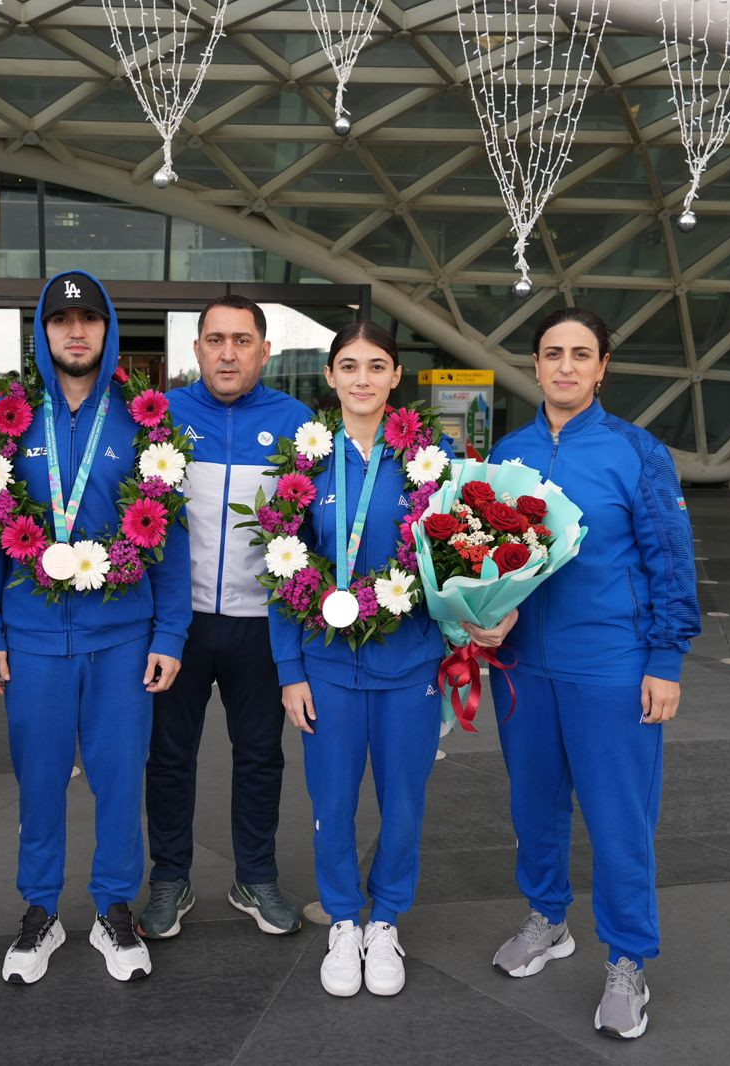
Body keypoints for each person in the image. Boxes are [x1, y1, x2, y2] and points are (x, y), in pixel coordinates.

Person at [483, 307, 699, 1041]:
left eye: (581, 354)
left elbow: (669, 560)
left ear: (602, 367)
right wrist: (476, 615)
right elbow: (477, 558)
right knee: (532, 807)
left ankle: (628, 960)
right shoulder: (505, 453)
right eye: (552, 353)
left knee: (617, 821)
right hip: (521, 669)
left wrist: (664, 661)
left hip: (610, 665)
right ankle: (548, 918)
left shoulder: (635, 452)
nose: (566, 366)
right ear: (535, 366)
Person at [0, 270, 191, 986]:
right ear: (41, 330)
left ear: (108, 331)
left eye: (89, 319)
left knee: (117, 778)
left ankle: (111, 908)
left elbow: (170, 535)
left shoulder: (145, 422)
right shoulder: (7, 423)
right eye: (62, 318)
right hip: (32, 636)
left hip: (123, 635)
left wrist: (169, 634)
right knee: (38, 780)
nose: (76, 330)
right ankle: (39, 910)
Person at [273, 321, 449, 1000]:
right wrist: (289, 671)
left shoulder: (429, 461)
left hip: (409, 665)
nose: (362, 378)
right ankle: (344, 920)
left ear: (396, 376)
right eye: (349, 366)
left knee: (403, 804)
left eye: (376, 366)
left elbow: (456, 561)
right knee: (332, 801)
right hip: (326, 669)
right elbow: (280, 572)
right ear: (330, 376)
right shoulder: (306, 462)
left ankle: (387, 921)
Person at [140, 295, 311, 941]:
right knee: (169, 757)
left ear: (264, 351)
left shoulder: (297, 423)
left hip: (262, 626)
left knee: (261, 755)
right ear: (196, 350)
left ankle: (255, 876)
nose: (228, 352)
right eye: (215, 339)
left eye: (242, 340)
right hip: (177, 626)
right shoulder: (162, 420)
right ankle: (169, 878)